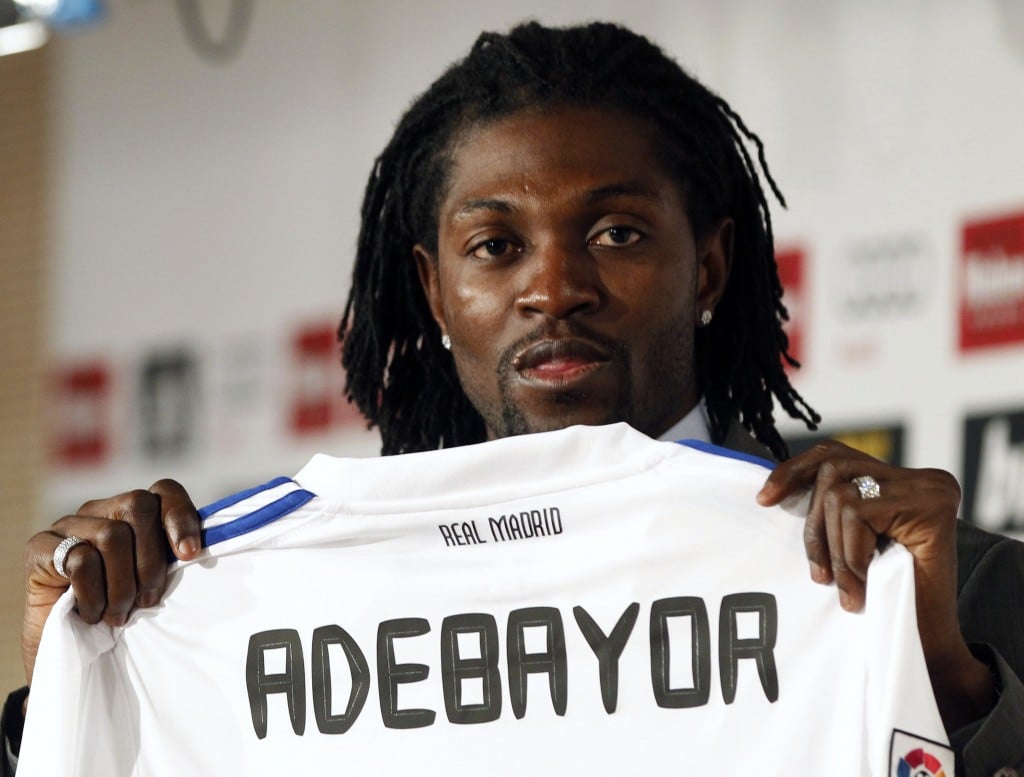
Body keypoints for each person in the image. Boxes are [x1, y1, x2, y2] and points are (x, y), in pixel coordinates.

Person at [7, 20, 1023, 776]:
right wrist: (78, 681)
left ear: (709, 267)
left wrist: (944, 674)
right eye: (495, 247)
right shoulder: (232, 604)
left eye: (617, 233)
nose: (554, 288)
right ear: (435, 291)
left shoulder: (946, 588)